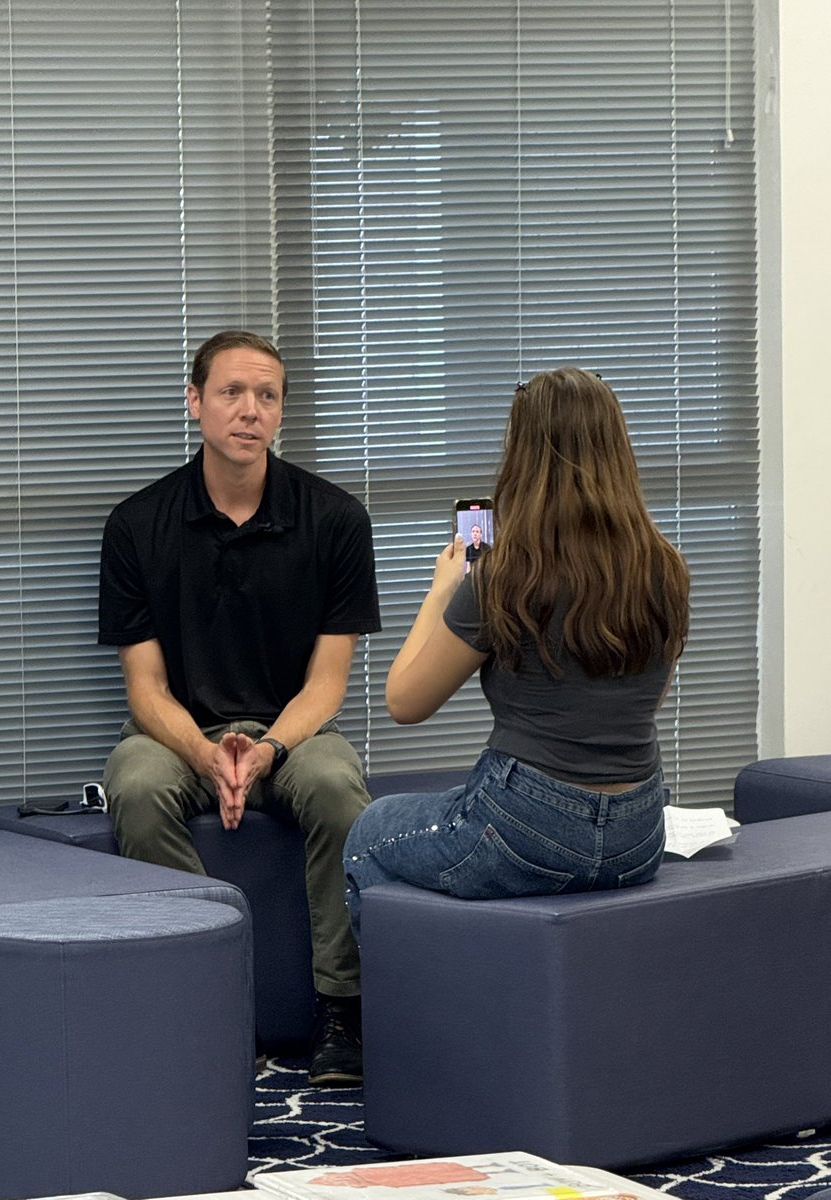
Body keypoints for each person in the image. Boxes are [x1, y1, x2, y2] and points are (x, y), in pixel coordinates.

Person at [98, 330, 381, 1086]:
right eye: (231, 392)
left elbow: (326, 686)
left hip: (292, 730)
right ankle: (204, 1001)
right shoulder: (136, 526)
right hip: (176, 730)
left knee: (336, 787)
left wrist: (267, 753)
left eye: (267, 396)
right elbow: (145, 690)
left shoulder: (336, 521)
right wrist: (204, 755)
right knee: (133, 782)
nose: (249, 411)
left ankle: (341, 1014)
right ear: (195, 403)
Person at [343, 367, 689, 937]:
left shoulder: (505, 577)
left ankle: (384, 1019)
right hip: (638, 833)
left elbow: (404, 701)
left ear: (524, 457)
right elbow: (648, 698)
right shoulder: (665, 569)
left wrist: (442, 592)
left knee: (368, 832)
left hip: (528, 825)